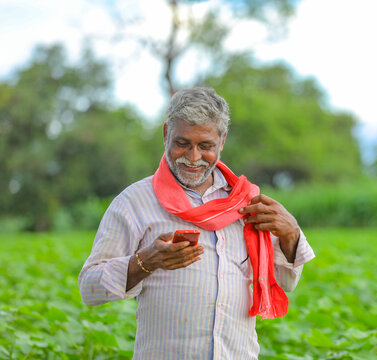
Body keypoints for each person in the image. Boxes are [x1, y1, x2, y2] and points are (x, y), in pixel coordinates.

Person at [78, 87, 315, 359]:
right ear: (166, 134)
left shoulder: (247, 203)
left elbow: (285, 281)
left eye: (205, 146)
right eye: (182, 143)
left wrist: (291, 234)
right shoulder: (134, 202)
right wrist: (146, 261)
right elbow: (89, 288)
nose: (192, 157)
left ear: (222, 141)